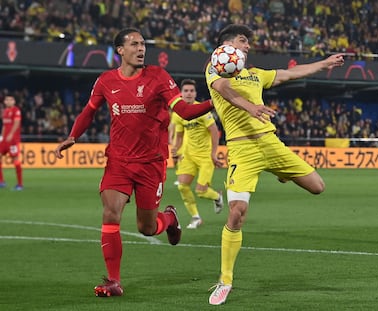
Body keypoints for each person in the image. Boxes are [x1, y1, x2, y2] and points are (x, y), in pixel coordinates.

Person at [54, 28, 214, 298]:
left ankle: (170, 218)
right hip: (118, 160)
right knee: (110, 213)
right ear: (120, 50)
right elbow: (88, 111)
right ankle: (113, 281)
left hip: (151, 163)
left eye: (143, 44)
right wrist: (73, 136)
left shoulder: (159, 77)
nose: (141, 49)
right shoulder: (105, 81)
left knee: (147, 228)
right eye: (134, 44)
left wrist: (214, 102)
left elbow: (184, 112)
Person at [205, 24, 345, 305]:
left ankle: (281, 172)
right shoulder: (215, 69)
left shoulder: (256, 75)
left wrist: (324, 64)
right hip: (242, 149)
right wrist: (252, 108)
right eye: (243, 41)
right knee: (237, 213)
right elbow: (224, 90)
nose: (247, 46)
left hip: (270, 143)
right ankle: (225, 280)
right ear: (227, 46)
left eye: (248, 42)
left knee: (318, 187)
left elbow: (290, 73)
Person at [170, 79, 224, 229]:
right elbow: (179, 135)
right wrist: (176, 148)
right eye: (186, 91)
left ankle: (217, 196)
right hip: (188, 155)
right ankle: (195, 217)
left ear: (195, 93)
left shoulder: (201, 110)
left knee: (201, 192)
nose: (188, 93)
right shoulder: (178, 113)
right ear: (181, 93)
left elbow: (214, 131)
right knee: (182, 186)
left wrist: (214, 153)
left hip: (205, 156)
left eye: (191, 91)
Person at [0, 94, 23, 191]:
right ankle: (1, 182)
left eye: (11, 100)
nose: (9, 101)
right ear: (4, 102)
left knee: (15, 160)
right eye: (7, 100)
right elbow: (5, 125)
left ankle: (20, 184)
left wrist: (11, 134)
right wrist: (2, 136)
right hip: (4, 140)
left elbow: (17, 123)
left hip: (13, 140)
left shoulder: (16, 110)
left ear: (14, 101)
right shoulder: (5, 112)